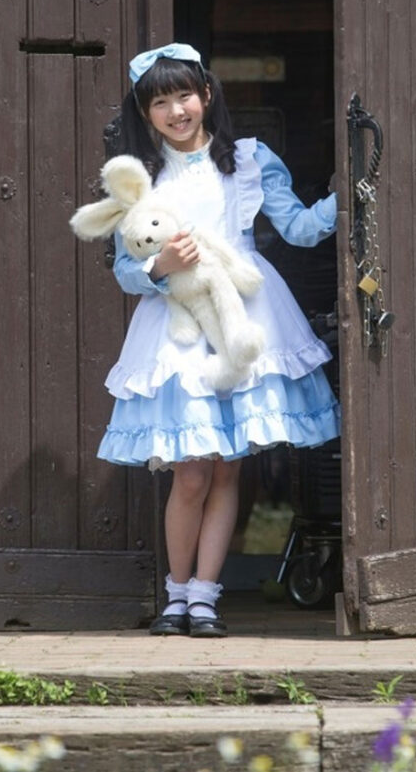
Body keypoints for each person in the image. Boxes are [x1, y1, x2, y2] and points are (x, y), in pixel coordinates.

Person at [96, 42, 339, 638]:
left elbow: (300, 228)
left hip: (245, 315)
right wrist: (162, 266)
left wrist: (355, 191)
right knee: (191, 474)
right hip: (175, 327)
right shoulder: (139, 178)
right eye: (160, 102)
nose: (176, 111)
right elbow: (125, 268)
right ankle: (175, 597)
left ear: (206, 94)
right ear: (145, 112)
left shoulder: (250, 160)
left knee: (229, 472)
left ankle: (205, 598)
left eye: (184, 95)